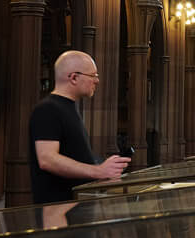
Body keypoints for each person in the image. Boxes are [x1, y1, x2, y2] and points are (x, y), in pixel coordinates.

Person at [29, 50, 130, 204]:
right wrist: (98, 171)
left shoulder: (68, 108)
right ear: (74, 77)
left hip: (76, 207)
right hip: (57, 212)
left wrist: (102, 165)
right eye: (93, 75)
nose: (97, 81)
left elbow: (73, 154)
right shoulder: (47, 109)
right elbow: (47, 159)